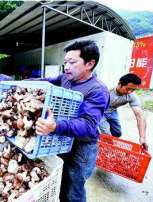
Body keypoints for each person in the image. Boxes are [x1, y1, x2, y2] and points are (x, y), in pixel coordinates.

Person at [34, 40, 110, 202]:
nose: (66, 66)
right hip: (63, 139)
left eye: (72, 62)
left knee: (74, 189)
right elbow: (47, 81)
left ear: (90, 63)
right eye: (65, 62)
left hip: (82, 147)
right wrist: (21, 83)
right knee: (60, 182)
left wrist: (55, 126)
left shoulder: (97, 90)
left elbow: (88, 125)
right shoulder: (66, 78)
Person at [99, 73, 148, 150]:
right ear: (119, 84)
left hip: (113, 111)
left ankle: (107, 142)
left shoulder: (132, 96)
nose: (130, 92)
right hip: (101, 111)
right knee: (106, 134)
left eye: (133, 89)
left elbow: (140, 116)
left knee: (117, 133)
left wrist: (142, 138)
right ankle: (105, 148)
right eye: (128, 89)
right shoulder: (107, 90)